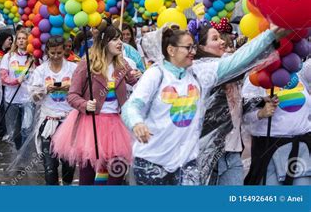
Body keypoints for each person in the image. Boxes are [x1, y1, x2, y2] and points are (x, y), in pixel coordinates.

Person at [121, 24, 288, 185]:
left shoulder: (200, 74)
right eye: (187, 48)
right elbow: (132, 105)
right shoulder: (155, 75)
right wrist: (136, 122)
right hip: (153, 162)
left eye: (193, 47)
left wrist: (269, 36)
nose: (193, 52)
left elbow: (238, 60)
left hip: (186, 164)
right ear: (171, 50)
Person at [51, 24, 141, 185]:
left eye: (120, 38)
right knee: (88, 175)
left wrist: (142, 77)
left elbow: (137, 85)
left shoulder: (122, 65)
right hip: (91, 125)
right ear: (103, 42)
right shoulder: (87, 64)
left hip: (117, 125)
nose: (120, 42)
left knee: (117, 172)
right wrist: (85, 105)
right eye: (114, 39)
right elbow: (72, 95)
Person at [242, 58, 310, 185]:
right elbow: (242, 114)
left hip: (302, 149)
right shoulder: (256, 78)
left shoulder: (299, 75)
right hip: (269, 150)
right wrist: (260, 114)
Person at [193, 22, 245, 185]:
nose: (222, 41)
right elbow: (242, 68)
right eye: (215, 39)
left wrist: (259, 105)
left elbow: (234, 103)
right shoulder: (202, 69)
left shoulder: (225, 64)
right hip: (211, 151)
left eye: (221, 38)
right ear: (201, 47)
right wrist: (270, 38)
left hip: (233, 151)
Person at [30, 36, 77, 185]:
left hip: (69, 121)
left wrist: (71, 89)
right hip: (48, 121)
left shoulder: (74, 69)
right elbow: (35, 98)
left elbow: (82, 93)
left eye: (59, 53)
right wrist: (44, 90)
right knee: (49, 166)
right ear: (47, 52)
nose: (56, 56)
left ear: (64, 51)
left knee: (69, 163)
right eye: (52, 53)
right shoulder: (40, 70)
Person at [0, 29, 34, 150]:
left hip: (28, 99)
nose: (21, 41)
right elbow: (3, 78)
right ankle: (19, 150)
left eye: (24, 38)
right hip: (11, 99)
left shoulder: (34, 58)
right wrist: (15, 81)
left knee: (27, 129)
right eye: (19, 38)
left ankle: (24, 157)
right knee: (14, 132)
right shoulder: (8, 57)